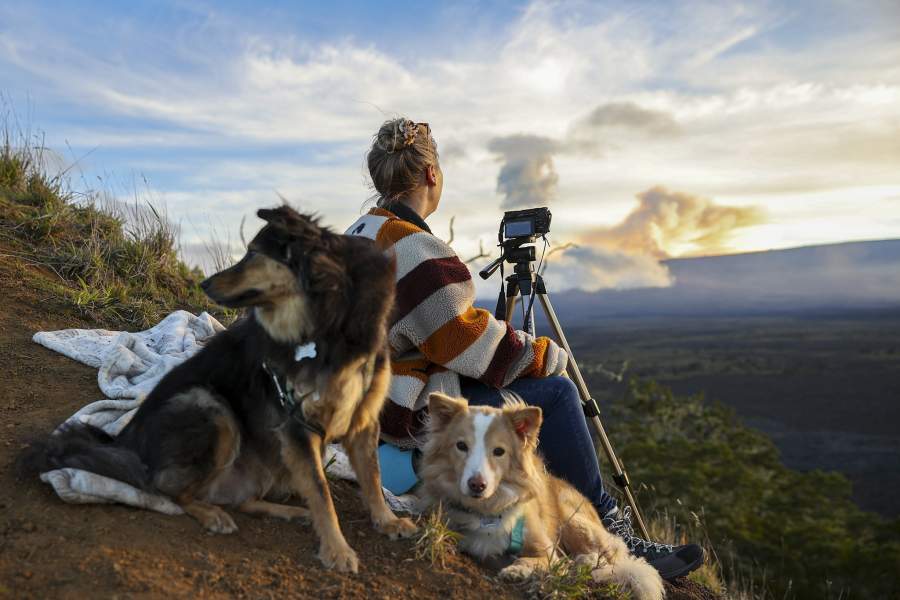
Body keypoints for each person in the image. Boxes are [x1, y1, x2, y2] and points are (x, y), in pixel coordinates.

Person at [345, 118, 703, 580]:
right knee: (555, 391)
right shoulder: (412, 246)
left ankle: (557, 517)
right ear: (432, 174)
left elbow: (434, 331)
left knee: (515, 378)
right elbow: (462, 339)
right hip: (391, 412)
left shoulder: (359, 231)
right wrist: (541, 354)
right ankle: (611, 529)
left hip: (355, 394)